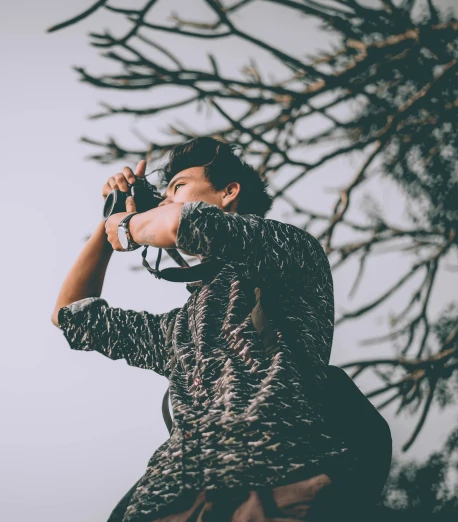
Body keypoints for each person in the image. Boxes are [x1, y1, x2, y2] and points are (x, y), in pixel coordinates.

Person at [50, 138, 360, 522]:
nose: (165, 200)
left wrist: (131, 227)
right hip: (167, 499)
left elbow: (189, 224)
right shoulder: (180, 329)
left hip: (274, 479)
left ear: (230, 192)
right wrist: (109, 223)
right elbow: (71, 315)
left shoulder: (285, 248)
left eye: (177, 186)